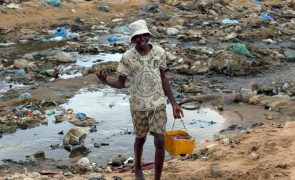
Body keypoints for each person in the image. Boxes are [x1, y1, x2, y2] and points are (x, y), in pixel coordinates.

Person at [96, 19, 183, 180]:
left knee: (159, 140)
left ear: (149, 35)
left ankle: (157, 177)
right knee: (140, 138)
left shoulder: (159, 53)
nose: (141, 39)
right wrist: (106, 81)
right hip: (138, 105)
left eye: (144, 35)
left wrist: (174, 103)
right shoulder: (128, 57)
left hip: (157, 103)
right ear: (133, 39)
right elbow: (121, 83)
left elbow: (163, 78)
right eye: (137, 37)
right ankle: (137, 167)